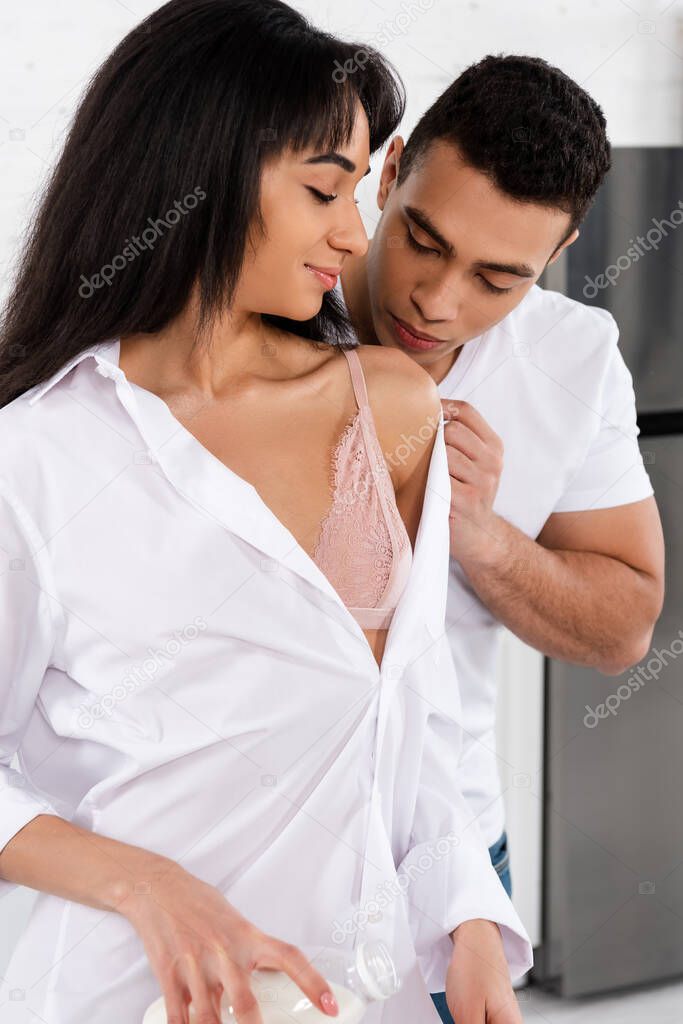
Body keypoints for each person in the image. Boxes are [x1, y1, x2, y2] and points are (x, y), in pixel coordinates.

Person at [0, 4, 533, 1023]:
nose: (356, 229)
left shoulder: (389, 407)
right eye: (325, 188)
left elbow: (410, 715)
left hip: (354, 997)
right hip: (133, 997)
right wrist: (140, 882)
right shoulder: (38, 458)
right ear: (194, 177)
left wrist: (467, 925)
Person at [338, 54, 666, 1023]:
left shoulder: (573, 359)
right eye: (421, 242)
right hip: (257, 840)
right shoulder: (273, 305)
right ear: (389, 172)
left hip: (453, 853)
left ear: (560, 249)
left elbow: (622, 628)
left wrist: (477, 534)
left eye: (495, 278)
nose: (436, 302)